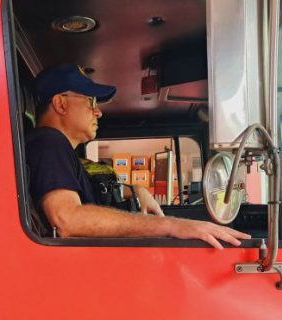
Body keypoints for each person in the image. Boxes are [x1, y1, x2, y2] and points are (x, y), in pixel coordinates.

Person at [25, 64, 250, 249]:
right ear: (60, 104)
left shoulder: (61, 151)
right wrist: (171, 226)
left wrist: (135, 189)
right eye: (91, 101)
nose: (98, 112)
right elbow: (68, 219)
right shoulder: (48, 142)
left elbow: (92, 189)